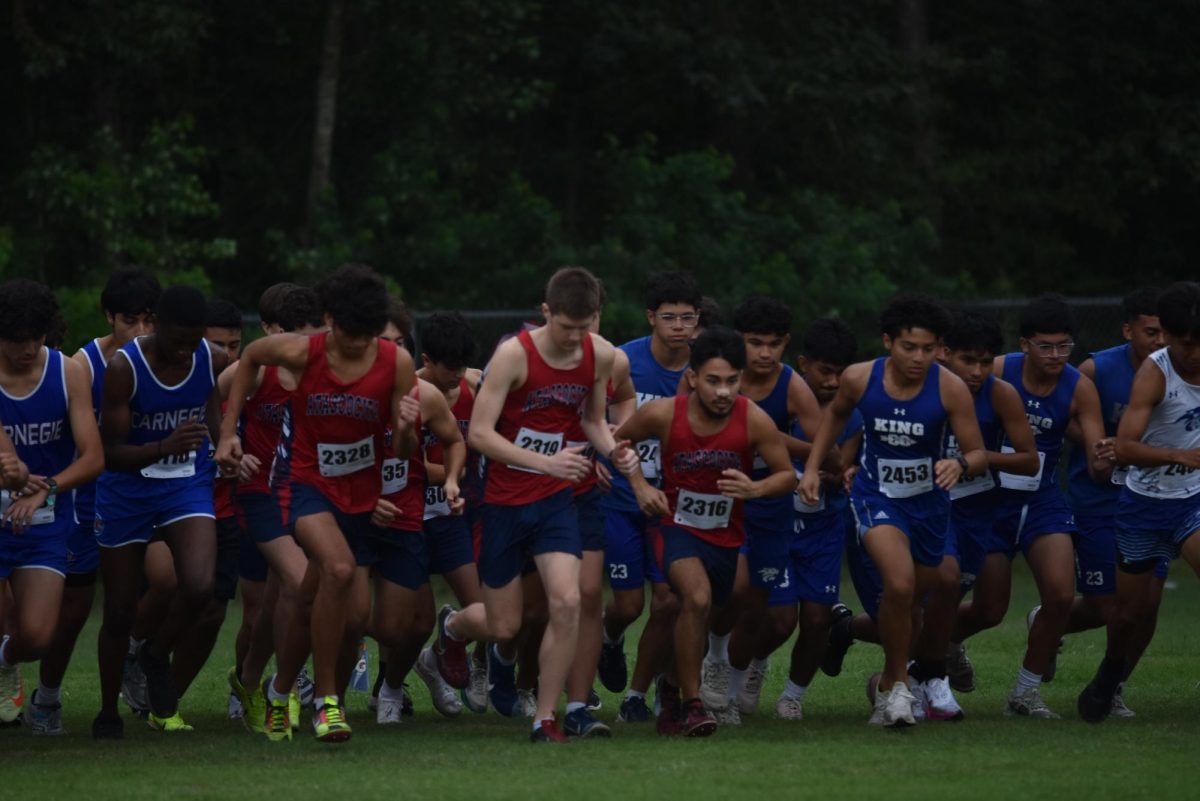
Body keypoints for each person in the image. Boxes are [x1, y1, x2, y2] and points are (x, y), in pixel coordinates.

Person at [217, 264, 417, 743]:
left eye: (366, 336)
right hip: (303, 482)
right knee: (340, 569)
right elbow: (247, 360)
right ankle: (328, 704)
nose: (356, 344)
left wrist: (407, 426)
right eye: (348, 334)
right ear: (329, 319)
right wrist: (228, 433)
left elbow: (403, 451)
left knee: (319, 602)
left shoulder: (396, 364)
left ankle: (279, 689)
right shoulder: (299, 352)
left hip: (360, 493)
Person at [438, 266, 637, 743]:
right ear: (546, 312)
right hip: (504, 502)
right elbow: (481, 435)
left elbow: (592, 419)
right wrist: (544, 463)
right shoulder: (513, 356)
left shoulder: (600, 355)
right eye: (565, 327)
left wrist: (614, 449)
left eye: (584, 327)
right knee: (505, 624)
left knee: (568, 600)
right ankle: (452, 629)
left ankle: (545, 717)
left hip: (554, 503)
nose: (574, 338)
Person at [799, 293, 987, 727]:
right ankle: (901, 687)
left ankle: (886, 683)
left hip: (928, 506)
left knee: (922, 594)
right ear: (888, 342)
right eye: (908, 347)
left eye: (927, 348)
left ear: (939, 348)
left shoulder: (950, 388)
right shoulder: (860, 378)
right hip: (875, 497)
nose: (918, 358)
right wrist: (813, 468)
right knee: (900, 586)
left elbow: (977, 452)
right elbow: (834, 418)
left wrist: (958, 463)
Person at [615, 325, 797, 736]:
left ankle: (673, 690)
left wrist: (756, 488)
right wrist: (642, 485)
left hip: (725, 535)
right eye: (713, 381)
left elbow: (787, 475)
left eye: (732, 381)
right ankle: (693, 706)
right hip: (674, 528)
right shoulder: (664, 413)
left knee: (721, 601)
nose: (723, 391)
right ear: (694, 378)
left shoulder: (754, 420)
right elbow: (618, 443)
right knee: (694, 598)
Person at [948, 294, 1106, 719]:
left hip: (1041, 499)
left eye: (1064, 345)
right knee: (989, 610)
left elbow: (1096, 454)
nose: (1055, 355)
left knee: (1059, 594)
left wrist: (1106, 456)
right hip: (988, 501)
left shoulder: (1079, 386)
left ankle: (1025, 693)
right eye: (1046, 345)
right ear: (1024, 344)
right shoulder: (995, 370)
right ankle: (942, 644)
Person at [23, 268, 158, 732]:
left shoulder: (166, 358)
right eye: (130, 321)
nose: (141, 332)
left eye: (149, 321)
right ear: (109, 317)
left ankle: (138, 653)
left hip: (142, 494)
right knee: (74, 611)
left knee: (175, 579)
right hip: (81, 503)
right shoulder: (81, 365)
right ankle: (48, 696)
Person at [93, 284, 230, 737]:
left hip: (184, 482)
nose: (184, 351)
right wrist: (161, 446)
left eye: (193, 343)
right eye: (177, 341)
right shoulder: (123, 368)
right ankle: (108, 711)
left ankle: (154, 657)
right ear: (155, 327)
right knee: (118, 612)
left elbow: (209, 405)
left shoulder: (207, 357)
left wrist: (224, 442)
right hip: (126, 488)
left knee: (198, 585)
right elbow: (108, 453)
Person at [904, 310, 1038, 721]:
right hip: (925, 504)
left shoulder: (1000, 394)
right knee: (934, 585)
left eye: (985, 361)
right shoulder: (919, 386)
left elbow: (1030, 460)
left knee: (959, 599)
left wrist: (973, 460)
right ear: (945, 354)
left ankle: (907, 670)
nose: (978, 371)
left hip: (977, 509)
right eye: (968, 360)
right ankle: (927, 676)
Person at [1077, 281, 1200, 722]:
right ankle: (1111, 671)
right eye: (1187, 344)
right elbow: (1124, 447)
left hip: (1192, 499)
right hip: (1143, 504)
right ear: (1167, 335)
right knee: (1130, 613)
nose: (1196, 353)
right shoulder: (1155, 372)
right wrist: (1178, 455)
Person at [706, 296, 825, 724]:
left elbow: (821, 450)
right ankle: (714, 662)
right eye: (755, 342)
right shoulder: (716, 376)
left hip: (771, 505)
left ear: (786, 344)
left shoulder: (792, 385)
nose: (764, 353)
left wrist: (766, 437)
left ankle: (732, 694)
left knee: (761, 610)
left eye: (774, 344)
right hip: (721, 502)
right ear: (738, 340)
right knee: (732, 590)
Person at [598, 271, 702, 724]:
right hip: (621, 495)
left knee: (667, 601)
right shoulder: (622, 361)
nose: (679, 326)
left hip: (673, 504)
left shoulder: (706, 370)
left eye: (687, 318)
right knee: (628, 605)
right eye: (669, 317)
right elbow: (590, 417)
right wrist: (598, 456)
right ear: (651, 318)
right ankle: (609, 635)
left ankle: (638, 695)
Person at [224, 285, 326, 739]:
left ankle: (251, 679)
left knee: (276, 600)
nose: (301, 349)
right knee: (299, 580)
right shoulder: (255, 372)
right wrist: (226, 444)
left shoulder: (321, 368)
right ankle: (277, 692)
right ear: (269, 332)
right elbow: (208, 401)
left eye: (311, 338)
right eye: (293, 338)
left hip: (304, 490)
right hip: (260, 492)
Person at [1060, 287, 1165, 715]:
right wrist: (1095, 443)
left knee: (1148, 604)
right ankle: (1048, 623)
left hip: (1155, 497)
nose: (1160, 341)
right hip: (1098, 498)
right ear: (1129, 330)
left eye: (1167, 332)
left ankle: (1114, 685)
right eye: (1151, 332)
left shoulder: (1181, 370)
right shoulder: (1097, 367)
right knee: (1109, 605)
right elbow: (1062, 415)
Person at [0, 280, 99, 731]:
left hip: (45, 520)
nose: (29, 348)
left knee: (38, 635)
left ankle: (5, 663)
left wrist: (47, 487)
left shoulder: (67, 371)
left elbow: (94, 456)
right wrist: (12, 474)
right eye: (18, 340)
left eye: (37, 338)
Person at [756, 317, 863, 721]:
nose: (833, 381)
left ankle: (792, 696)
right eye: (825, 371)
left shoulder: (851, 416)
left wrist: (837, 475)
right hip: (779, 523)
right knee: (780, 619)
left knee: (818, 618)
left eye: (840, 373)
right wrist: (809, 456)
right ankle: (752, 664)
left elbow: (843, 466)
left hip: (823, 527)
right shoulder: (781, 403)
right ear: (803, 364)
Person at [368, 375, 465, 723]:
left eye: (397, 346)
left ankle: (391, 686)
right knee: (341, 607)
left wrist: (452, 479)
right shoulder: (345, 392)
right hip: (352, 514)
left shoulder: (426, 397)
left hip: (407, 517)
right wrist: (367, 501)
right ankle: (322, 699)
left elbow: (455, 441)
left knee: (414, 624)